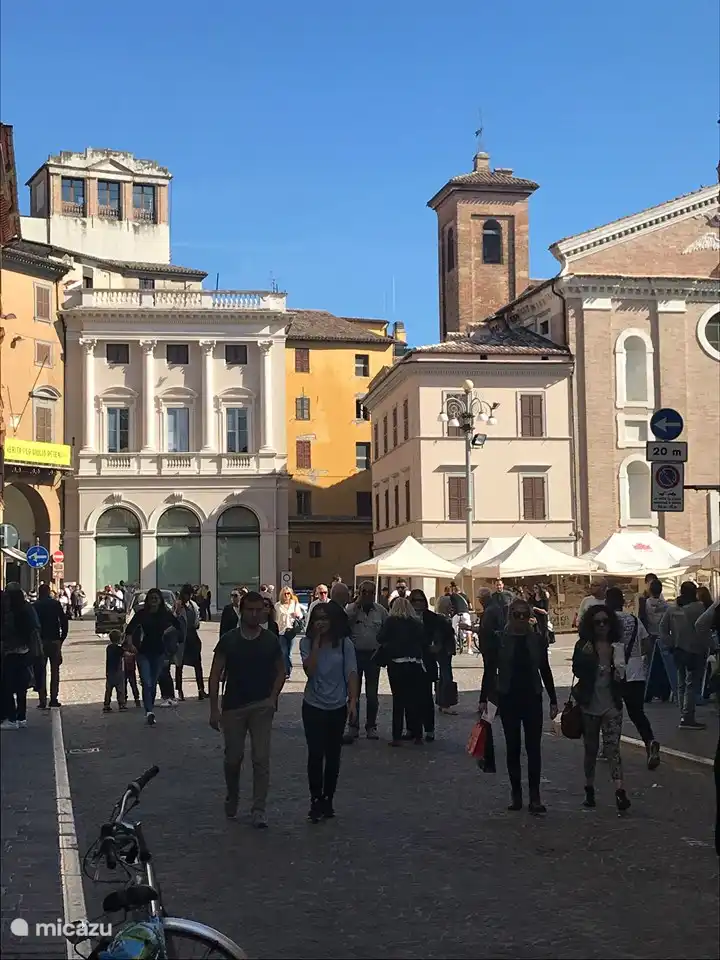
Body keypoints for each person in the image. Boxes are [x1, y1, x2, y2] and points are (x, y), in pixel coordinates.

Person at [208, 591, 286, 828]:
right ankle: (233, 795)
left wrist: (273, 697)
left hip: (262, 705)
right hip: (234, 706)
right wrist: (214, 709)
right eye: (249, 610)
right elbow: (214, 674)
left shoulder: (270, 640)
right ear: (241, 611)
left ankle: (258, 808)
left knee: (261, 758)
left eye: (258, 610)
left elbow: (281, 670)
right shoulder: (229, 640)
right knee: (233, 758)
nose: (254, 614)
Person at [479, 598, 558, 814]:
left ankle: (535, 796)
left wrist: (553, 699)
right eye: (517, 615)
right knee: (513, 747)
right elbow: (490, 670)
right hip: (508, 697)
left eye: (525, 615)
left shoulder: (537, 640)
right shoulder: (500, 640)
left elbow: (545, 669)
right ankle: (516, 793)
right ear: (510, 615)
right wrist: (483, 699)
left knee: (533, 748)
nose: (521, 619)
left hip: (532, 696)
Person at [301, 601, 359, 822]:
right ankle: (315, 799)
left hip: (337, 706)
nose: (321, 622)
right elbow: (310, 670)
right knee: (315, 754)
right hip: (313, 704)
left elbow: (351, 672)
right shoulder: (307, 643)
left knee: (333, 755)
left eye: (325, 618)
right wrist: (316, 642)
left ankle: (328, 799)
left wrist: (352, 701)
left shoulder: (344, 644)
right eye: (317, 618)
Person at [573, 604, 631, 813]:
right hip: (590, 705)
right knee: (591, 750)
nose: (601, 626)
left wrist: (618, 672)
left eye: (605, 622)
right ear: (591, 624)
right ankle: (589, 788)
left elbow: (623, 676)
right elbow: (576, 669)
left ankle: (620, 791)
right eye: (597, 622)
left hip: (612, 705)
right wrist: (587, 660)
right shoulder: (584, 645)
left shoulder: (617, 647)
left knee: (612, 749)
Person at [605, 586, 660, 769]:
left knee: (611, 711)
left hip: (615, 671)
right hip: (636, 671)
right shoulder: (634, 620)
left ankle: (609, 748)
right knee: (637, 712)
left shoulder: (607, 621)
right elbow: (646, 644)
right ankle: (649, 740)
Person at [124, 588, 181, 725]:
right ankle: (149, 711)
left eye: (156, 598)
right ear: (148, 600)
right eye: (151, 598)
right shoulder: (142, 614)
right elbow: (129, 629)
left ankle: (150, 707)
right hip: (143, 651)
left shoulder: (164, 614)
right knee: (146, 681)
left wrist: (167, 632)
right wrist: (130, 644)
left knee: (153, 682)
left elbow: (177, 625)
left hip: (159, 652)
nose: (154, 601)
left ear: (160, 600)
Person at [375, 597, 428, 746]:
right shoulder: (417, 623)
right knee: (414, 700)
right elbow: (424, 640)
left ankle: (396, 736)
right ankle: (418, 734)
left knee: (398, 701)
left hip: (397, 663)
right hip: (415, 663)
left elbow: (380, 638)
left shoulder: (391, 621)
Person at [660, 581, 708, 730]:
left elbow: (662, 628)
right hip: (696, 649)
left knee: (681, 683)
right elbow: (704, 626)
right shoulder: (699, 607)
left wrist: (671, 643)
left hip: (678, 649)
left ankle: (683, 714)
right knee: (692, 684)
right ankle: (688, 716)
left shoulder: (672, 608)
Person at [344, 580, 387, 741]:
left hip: (373, 656)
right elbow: (344, 627)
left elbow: (386, 631)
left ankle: (371, 726)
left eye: (370, 592)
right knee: (353, 693)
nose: (367, 595)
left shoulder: (381, 611)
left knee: (372, 694)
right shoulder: (351, 609)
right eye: (364, 592)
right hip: (355, 655)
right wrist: (355, 610)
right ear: (359, 592)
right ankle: (353, 726)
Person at [409, 589, 454, 741]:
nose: (418, 604)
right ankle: (413, 730)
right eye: (414, 600)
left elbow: (447, 630)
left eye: (420, 600)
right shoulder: (406, 618)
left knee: (426, 696)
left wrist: (439, 646)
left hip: (427, 660)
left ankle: (429, 729)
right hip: (409, 660)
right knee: (411, 698)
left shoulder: (432, 618)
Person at [1, 584, 40, 729]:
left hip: (12, 652)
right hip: (26, 652)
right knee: (21, 687)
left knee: (8, 686)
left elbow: (9, 632)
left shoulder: (13, 613)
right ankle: (21, 717)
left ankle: (11, 718)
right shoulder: (28, 609)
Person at [32, 582, 68, 709]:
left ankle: (42, 699)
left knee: (40, 671)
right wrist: (62, 638)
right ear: (49, 592)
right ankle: (54, 698)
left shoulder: (35, 606)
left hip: (40, 642)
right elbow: (64, 621)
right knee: (55, 671)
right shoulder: (55, 604)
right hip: (54, 640)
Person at [643, 579, 674, 702]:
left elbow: (643, 619)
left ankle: (649, 691)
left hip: (650, 637)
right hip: (663, 638)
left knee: (649, 666)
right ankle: (663, 692)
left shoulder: (645, 604)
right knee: (663, 666)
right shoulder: (666, 606)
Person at [175, 584, 206, 701]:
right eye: (187, 594)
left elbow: (197, 621)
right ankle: (179, 690)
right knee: (179, 665)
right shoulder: (178, 605)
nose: (188, 597)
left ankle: (201, 689)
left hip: (193, 637)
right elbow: (174, 619)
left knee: (198, 664)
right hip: (182, 638)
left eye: (190, 594)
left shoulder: (193, 605)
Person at [275, 586, 304, 677]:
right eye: (285, 594)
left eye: (288, 594)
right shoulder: (277, 605)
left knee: (289, 653)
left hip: (291, 630)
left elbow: (300, 615)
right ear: (282, 595)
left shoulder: (294, 603)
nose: (287, 595)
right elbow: (275, 619)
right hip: (281, 631)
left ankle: (289, 669)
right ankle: (286, 672)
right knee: (284, 652)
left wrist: (296, 615)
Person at [103, 629, 127, 712]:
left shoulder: (109, 648)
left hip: (109, 671)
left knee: (108, 689)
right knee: (120, 689)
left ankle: (106, 705)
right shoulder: (118, 649)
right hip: (118, 671)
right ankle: (121, 704)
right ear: (119, 639)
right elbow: (125, 654)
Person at [122, 635, 141, 707]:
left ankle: (129, 699)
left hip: (128, 669)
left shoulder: (125, 648)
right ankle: (136, 699)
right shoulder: (130, 648)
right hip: (129, 668)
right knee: (132, 684)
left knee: (129, 684)